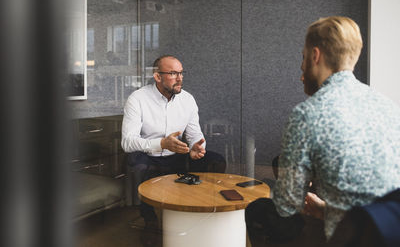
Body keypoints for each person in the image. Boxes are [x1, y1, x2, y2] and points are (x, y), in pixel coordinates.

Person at [245, 16, 400, 246]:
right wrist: (327, 210)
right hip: (388, 233)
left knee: (259, 209)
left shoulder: (307, 114)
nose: (301, 65)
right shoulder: (390, 108)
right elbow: (377, 206)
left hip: (349, 239)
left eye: (303, 57)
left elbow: (287, 205)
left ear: (315, 56)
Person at [121, 55, 226, 245]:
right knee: (138, 164)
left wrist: (196, 147)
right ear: (157, 77)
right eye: (173, 73)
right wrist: (161, 143)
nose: (180, 78)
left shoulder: (187, 99)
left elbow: (195, 134)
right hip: (148, 155)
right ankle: (150, 220)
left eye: (181, 73)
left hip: (177, 155)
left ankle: (198, 210)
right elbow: (127, 142)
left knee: (215, 160)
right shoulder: (137, 99)